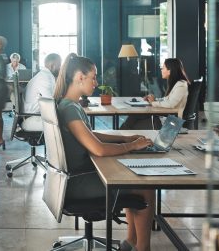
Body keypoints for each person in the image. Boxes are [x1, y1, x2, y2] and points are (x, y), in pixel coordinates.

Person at [54, 53, 155, 251]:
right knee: (144, 186)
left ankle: (131, 242)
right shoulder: (70, 109)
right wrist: (131, 146)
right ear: (79, 77)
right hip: (77, 183)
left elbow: (90, 135)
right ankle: (142, 247)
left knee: (132, 178)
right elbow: (98, 149)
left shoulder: (68, 104)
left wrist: (125, 139)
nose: (96, 82)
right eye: (93, 77)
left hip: (72, 178)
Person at [121, 58, 190, 130]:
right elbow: (167, 100)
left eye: (163, 68)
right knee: (134, 117)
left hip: (171, 122)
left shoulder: (181, 85)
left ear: (169, 71)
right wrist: (153, 99)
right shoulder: (177, 84)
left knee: (132, 123)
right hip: (165, 117)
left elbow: (171, 104)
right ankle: (119, 136)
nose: (161, 70)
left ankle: (118, 137)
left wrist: (153, 102)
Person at [21, 53, 62, 131]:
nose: (61, 68)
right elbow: (51, 103)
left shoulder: (46, 75)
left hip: (35, 115)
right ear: (52, 66)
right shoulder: (45, 78)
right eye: (59, 65)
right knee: (69, 122)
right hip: (32, 117)